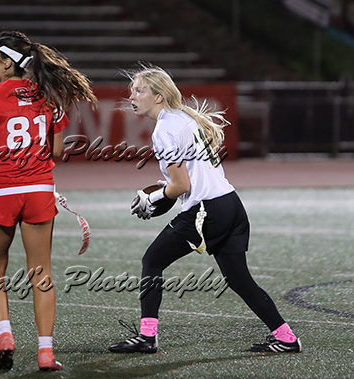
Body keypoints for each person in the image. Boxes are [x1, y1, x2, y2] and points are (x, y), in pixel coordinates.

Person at [109, 65, 301, 354]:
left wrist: (154, 197)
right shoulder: (182, 117)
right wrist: (167, 189)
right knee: (239, 279)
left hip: (207, 209)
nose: (132, 96)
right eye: (132, 90)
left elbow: (181, 185)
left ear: (158, 97)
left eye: (139, 90)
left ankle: (148, 337)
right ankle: (286, 337)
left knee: (152, 261)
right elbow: (188, 176)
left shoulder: (165, 129)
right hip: (231, 204)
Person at [0, 30, 97, 371]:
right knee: (41, 274)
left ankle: (6, 337)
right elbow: (57, 151)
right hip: (39, 191)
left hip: (2, 192)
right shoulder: (48, 97)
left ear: (7, 62)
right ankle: (46, 353)